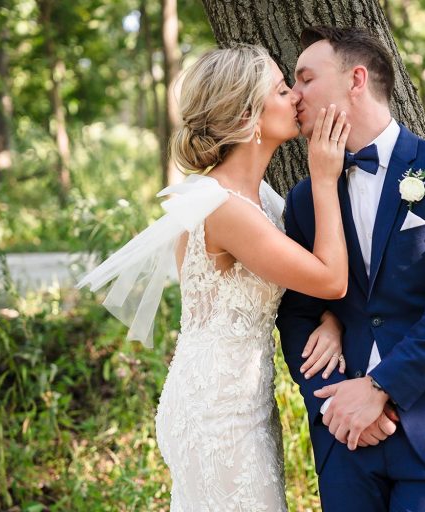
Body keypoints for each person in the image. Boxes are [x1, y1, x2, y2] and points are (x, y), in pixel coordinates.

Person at [77, 44, 351, 511]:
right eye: (283, 90)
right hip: (217, 413)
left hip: (244, 401)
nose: (296, 99)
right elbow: (331, 278)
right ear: (249, 116)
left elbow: (309, 279)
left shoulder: (260, 199)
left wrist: (333, 319)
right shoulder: (224, 209)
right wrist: (324, 179)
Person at [276, 26, 425, 511]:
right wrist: (333, 402)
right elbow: (296, 313)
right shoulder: (303, 199)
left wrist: (382, 389)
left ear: (356, 80)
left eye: (305, 79)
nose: (293, 95)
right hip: (346, 441)